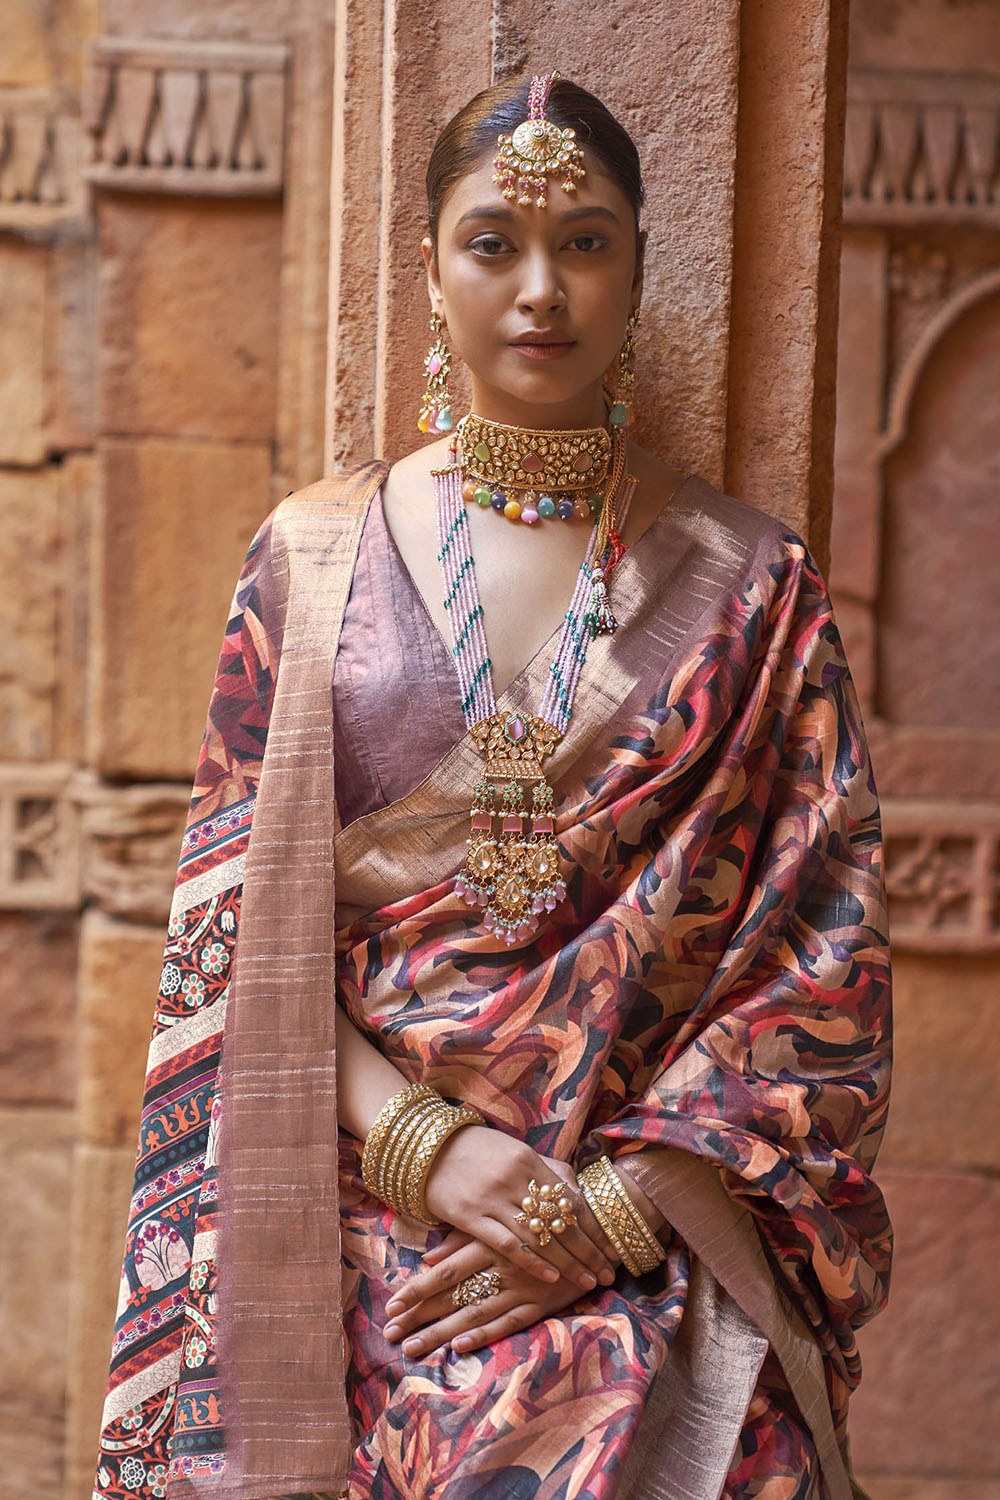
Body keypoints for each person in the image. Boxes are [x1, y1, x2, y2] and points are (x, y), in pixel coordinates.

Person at [93, 73, 892, 1500]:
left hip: (649, 1213)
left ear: (639, 270)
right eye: (494, 244)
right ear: (430, 269)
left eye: (586, 243)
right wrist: (425, 1148)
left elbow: (815, 965)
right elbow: (242, 955)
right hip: (367, 1213)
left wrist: (614, 1210)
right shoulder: (313, 563)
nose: (542, 289)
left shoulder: (753, 589)